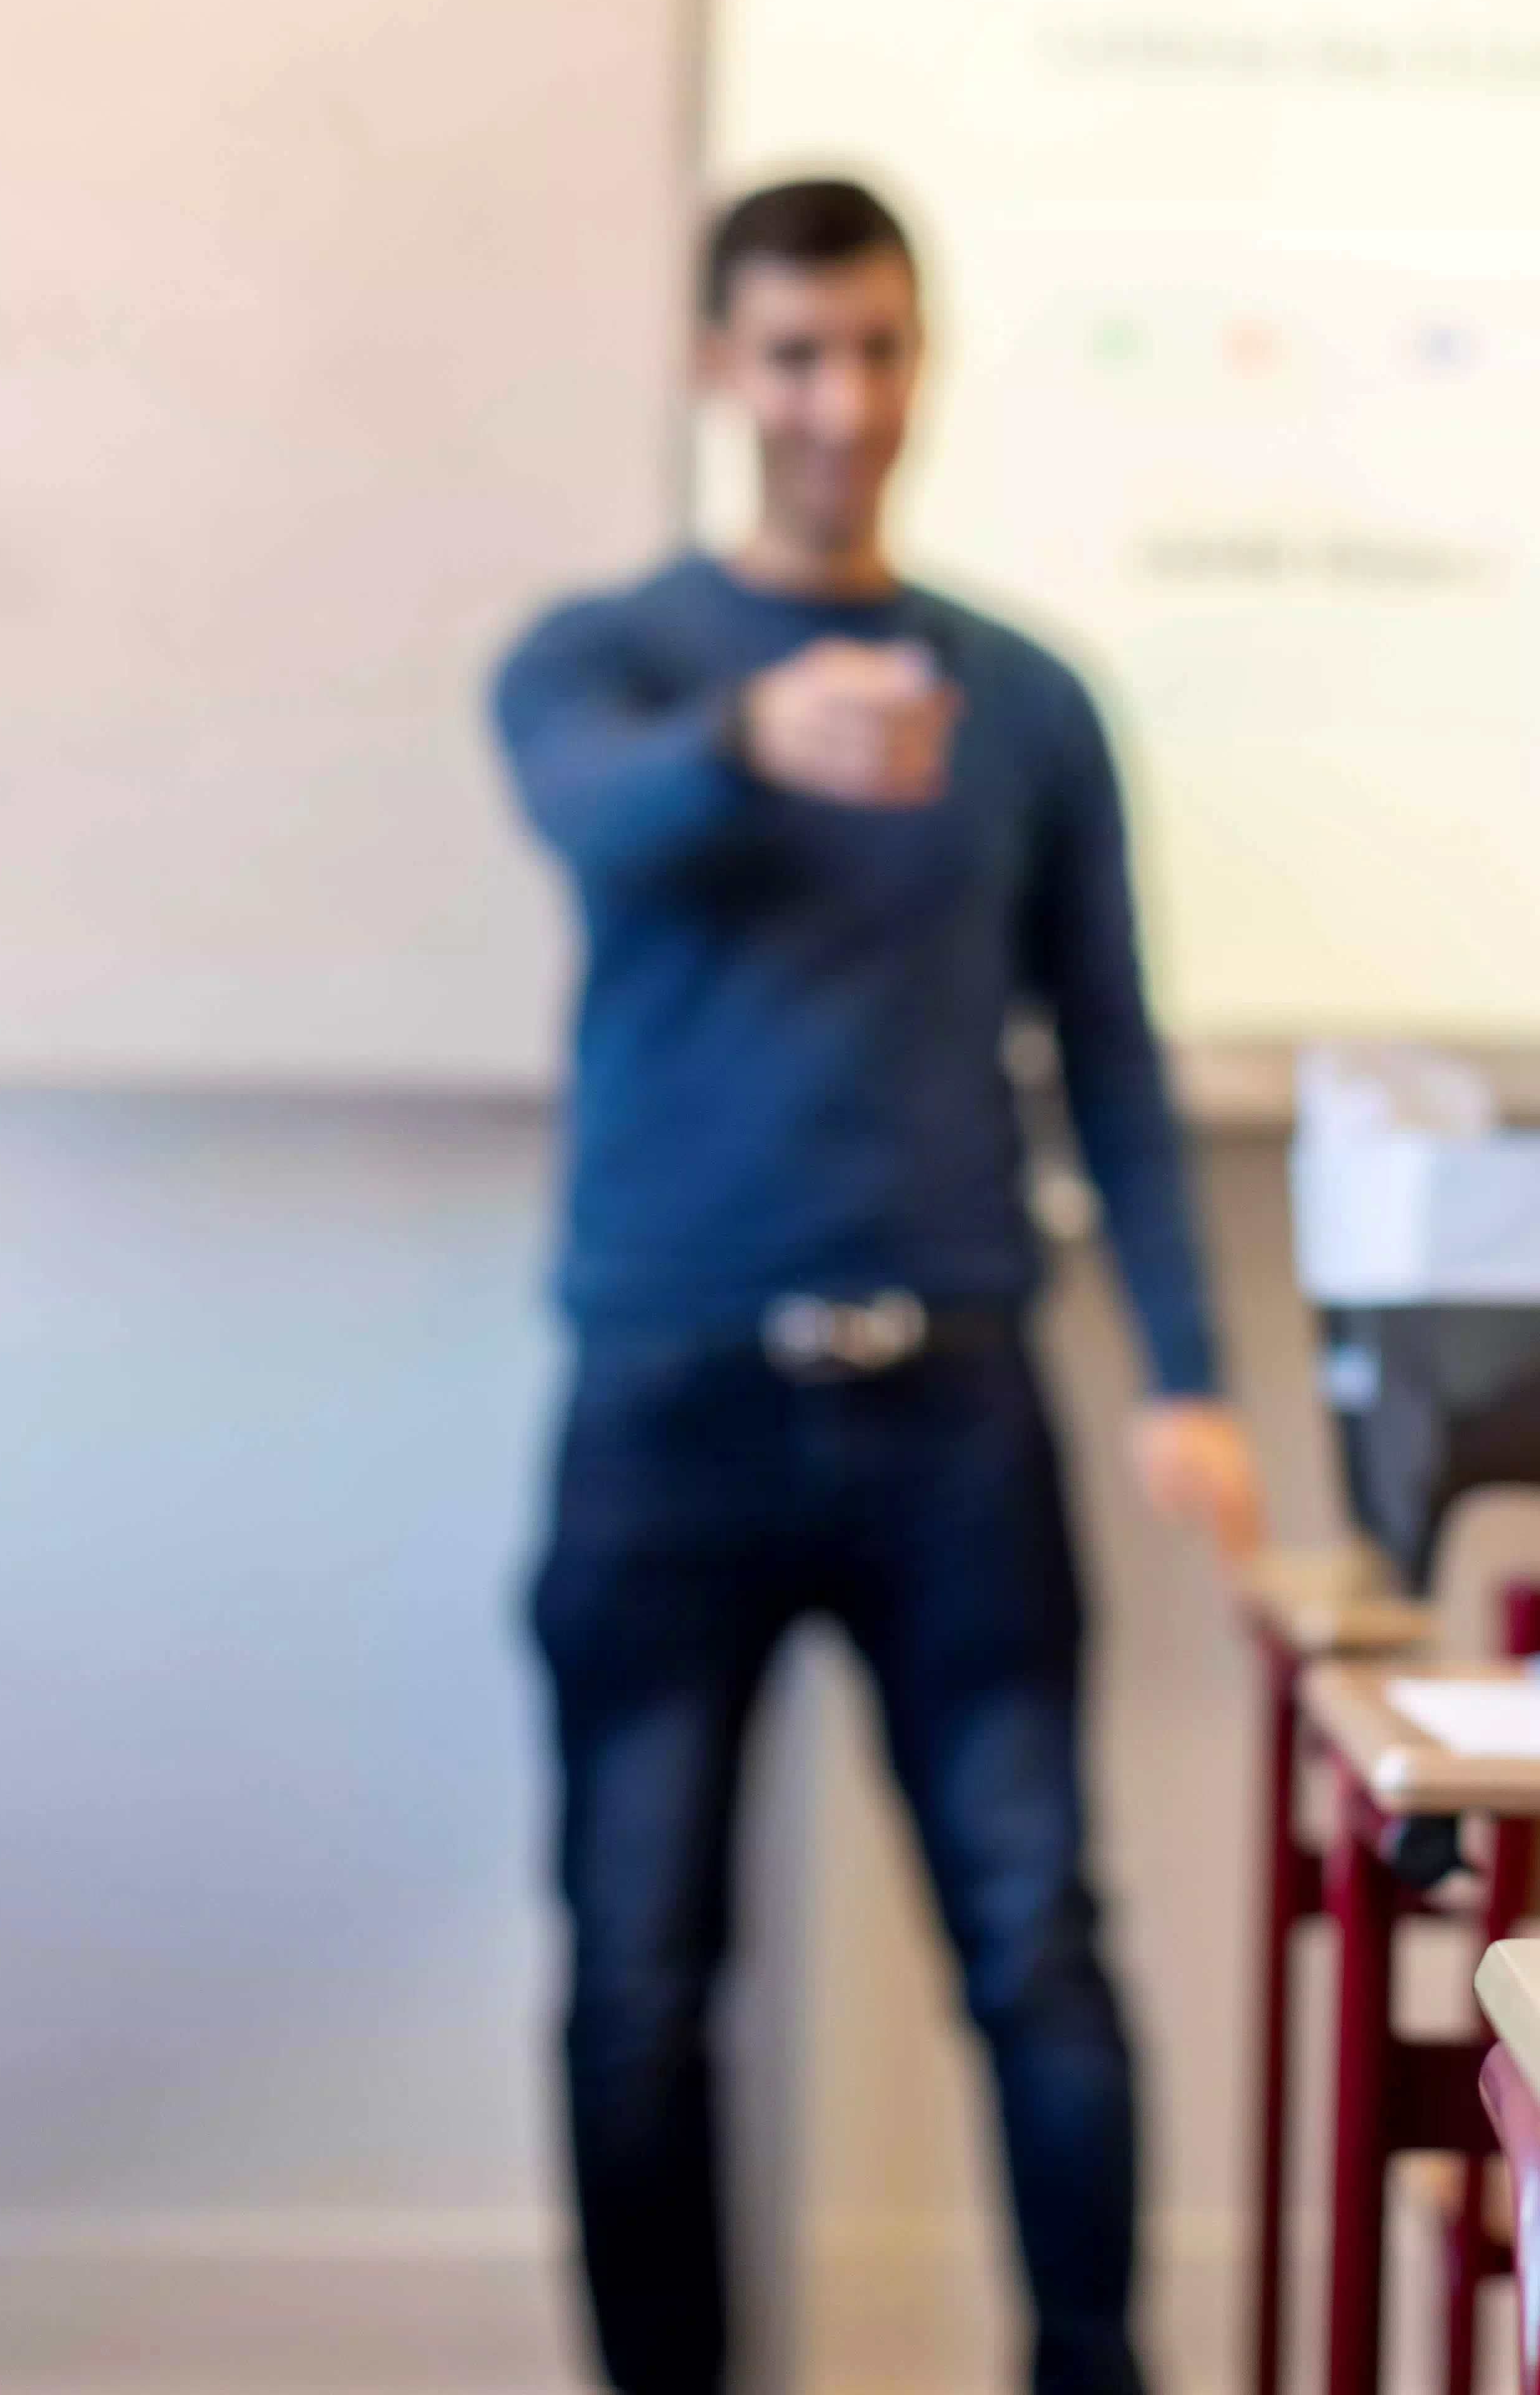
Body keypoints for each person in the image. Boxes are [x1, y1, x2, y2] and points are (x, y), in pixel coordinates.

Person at [491, 176, 1260, 2395]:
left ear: (921, 363)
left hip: (955, 1410)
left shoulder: (1022, 697)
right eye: (797, 355)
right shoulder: (605, 661)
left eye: (879, 352)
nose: (842, 402)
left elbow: (1108, 1053)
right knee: (636, 1969)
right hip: (666, 1406)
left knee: (1038, 1944)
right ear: (721, 369)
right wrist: (755, 735)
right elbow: (591, 818)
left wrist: (1188, 1372)